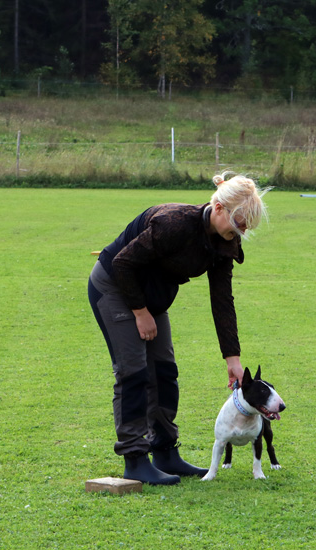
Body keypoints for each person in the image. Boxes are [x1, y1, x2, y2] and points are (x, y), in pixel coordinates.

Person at [87, 173, 270, 485]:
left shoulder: (225, 242)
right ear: (219, 208)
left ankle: (165, 453)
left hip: (151, 299)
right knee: (133, 372)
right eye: (239, 223)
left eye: (246, 228)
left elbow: (222, 300)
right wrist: (140, 312)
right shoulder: (174, 223)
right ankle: (134, 459)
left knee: (164, 372)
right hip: (115, 287)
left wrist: (233, 358)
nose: (241, 232)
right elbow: (122, 263)